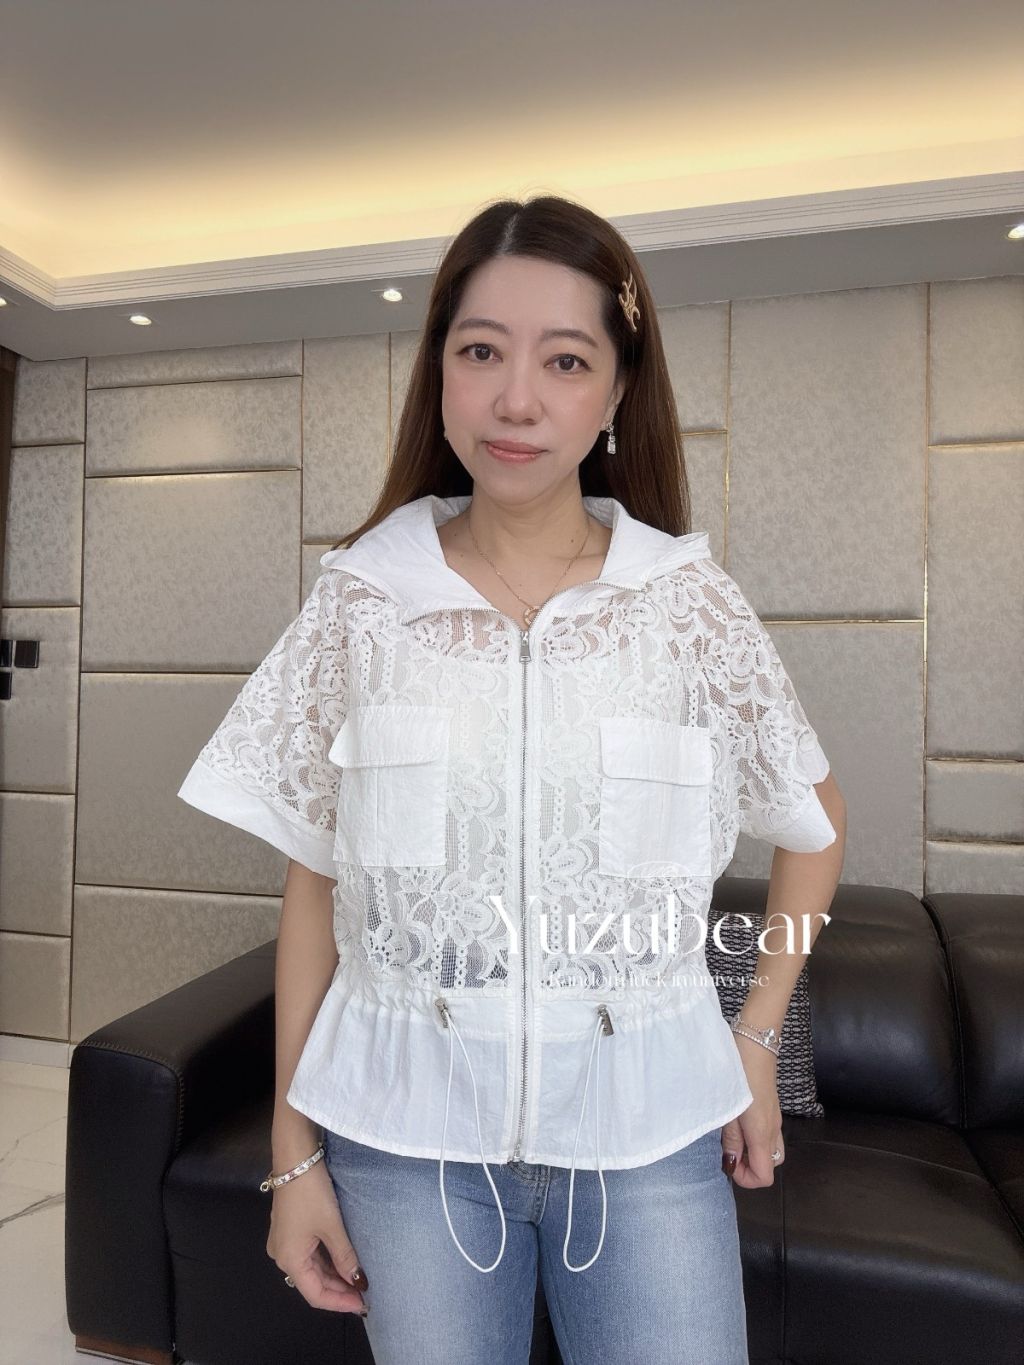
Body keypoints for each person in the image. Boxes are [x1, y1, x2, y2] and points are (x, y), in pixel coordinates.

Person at [178, 193, 847, 1365]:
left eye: (565, 360)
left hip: (648, 1139)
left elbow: (814, 823)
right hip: (407, 1143)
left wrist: (754, 1038)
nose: (516, 399)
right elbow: (316, 888)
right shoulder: (364, 602)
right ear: (438, 373)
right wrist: (293, 1154)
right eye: (480, 351)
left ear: (618, 391)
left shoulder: (681, 605)